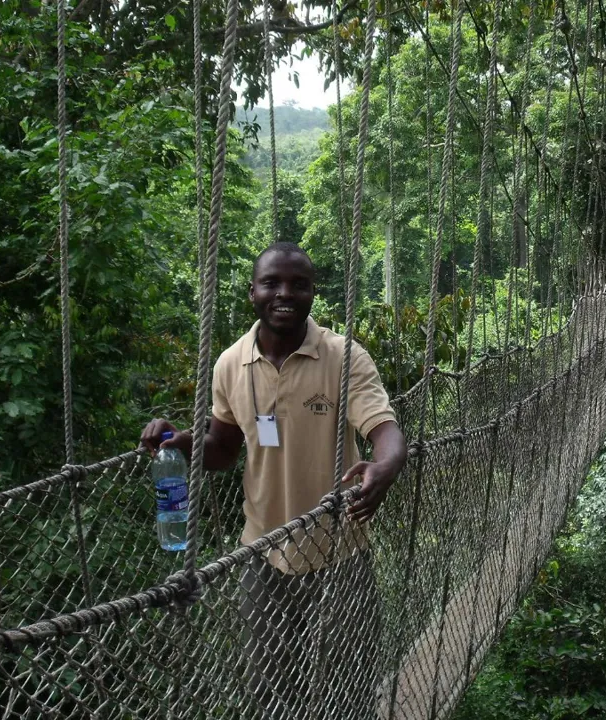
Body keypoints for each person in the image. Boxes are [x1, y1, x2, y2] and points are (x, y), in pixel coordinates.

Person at [140, 241, 408, 719]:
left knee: (349, 685)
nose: (284, 293)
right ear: (252, 293)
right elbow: (221, 452)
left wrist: (386, 465)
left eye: (298, 284)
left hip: (338, 548)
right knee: (269, 689)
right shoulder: (230, 364)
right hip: (262, 553)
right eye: (272, 283)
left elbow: (383, 429)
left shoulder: (343, 357)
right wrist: (180, 441)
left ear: (313, 293)